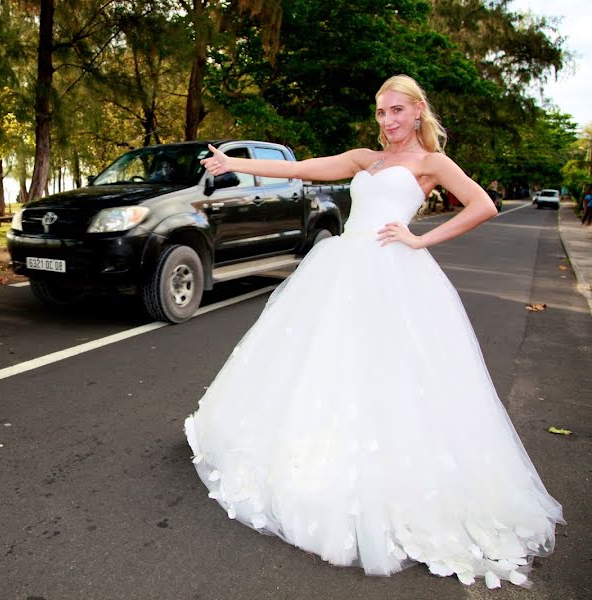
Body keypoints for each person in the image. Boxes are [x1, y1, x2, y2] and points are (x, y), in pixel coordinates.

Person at [185, 75, 562, 589]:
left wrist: (420, 239)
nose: (387, 121)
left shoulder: (430, 163)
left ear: (417, 112)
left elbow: (482, 205)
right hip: (341, 269)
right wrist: (234, 164)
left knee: (394, 373)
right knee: (325, 366)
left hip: (394, 271)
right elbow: (299, 169)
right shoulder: (366, 158)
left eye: (397, 111)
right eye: (381, 111)